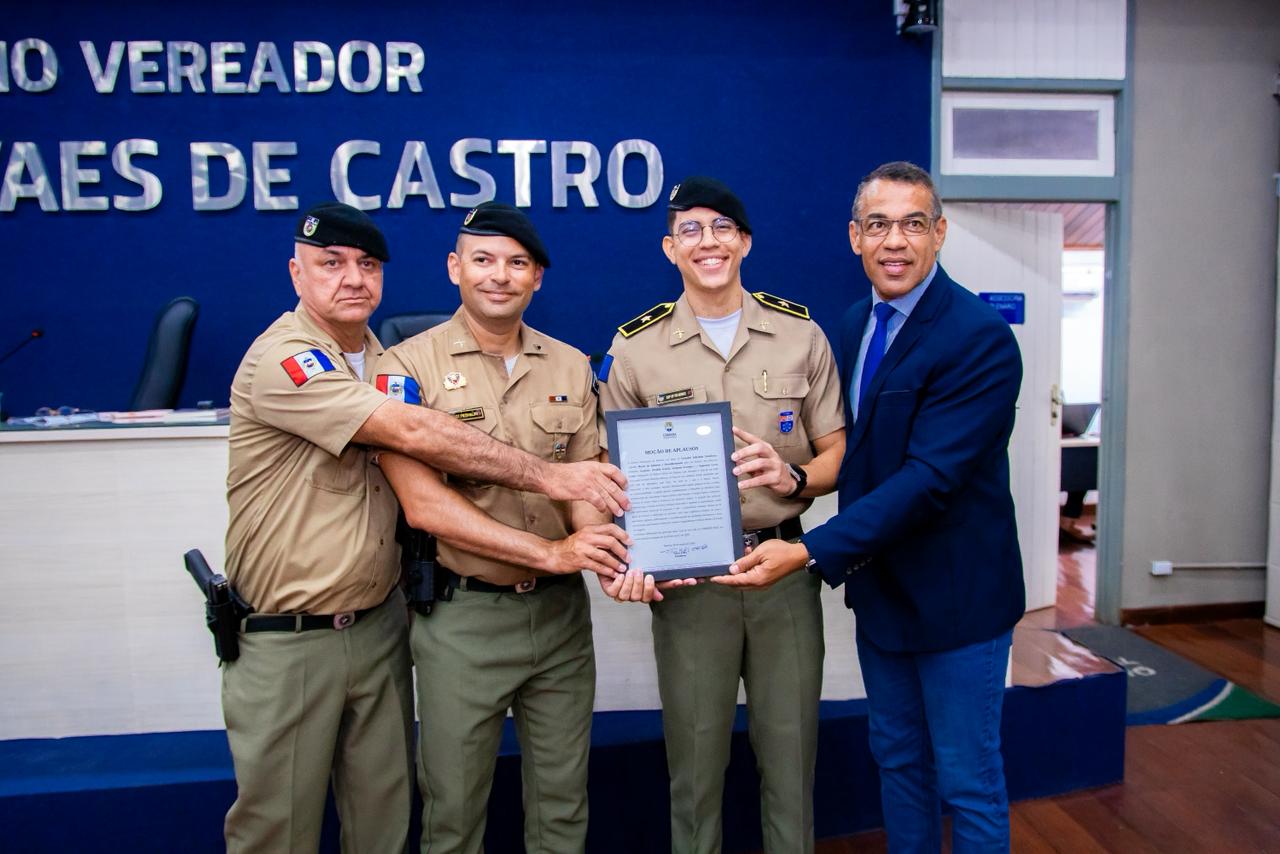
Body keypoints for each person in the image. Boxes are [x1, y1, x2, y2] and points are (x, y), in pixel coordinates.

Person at [222, 201, 629, 854]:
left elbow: (589, 470)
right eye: (329, 264)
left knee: (383, 819)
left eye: (366, 266)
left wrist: (603, 545)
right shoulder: (302, 360)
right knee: (282, 827)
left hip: (381, 623)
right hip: (293, 634)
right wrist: (550, 503)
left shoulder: (382, 362)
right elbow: (417, 462)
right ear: (296, 273)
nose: (351, 279)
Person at [715, 161, 1026, 852]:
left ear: (939, 234)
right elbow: (858, 451)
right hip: (885, 596)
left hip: (959, 604)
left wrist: (806, 549)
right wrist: (796, 481)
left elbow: (929, 479)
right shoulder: (856, 324)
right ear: (855, 237)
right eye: (879, 224)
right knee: (899, 764)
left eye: (913, 223)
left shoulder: (978, 338)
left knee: (969, 781)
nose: (896, 241)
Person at [597, 176, 846, 854]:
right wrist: (625, 553)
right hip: (689, 585)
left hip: (783, 572)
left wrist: (794, 474)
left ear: (744, 242)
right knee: (696, 768)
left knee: (792, 762)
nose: (707, 242)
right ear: (669, 249)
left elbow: (838, 457)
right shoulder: (635, 348)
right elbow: (609, 475)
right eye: (690, 231)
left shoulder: (800, 336)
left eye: (721, 229)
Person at [373, 202, 631, 854]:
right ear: (454, 267)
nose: (500, 276)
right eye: (483, 260)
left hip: (561, 620)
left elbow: (587, 485)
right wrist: (550, 553)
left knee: (563, 806)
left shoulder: (572, 366)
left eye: (517, 263)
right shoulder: (404, 368)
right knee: (455, 812)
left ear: (537, 277)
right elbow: (423, 507)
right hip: (465, 622)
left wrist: (601, 549)